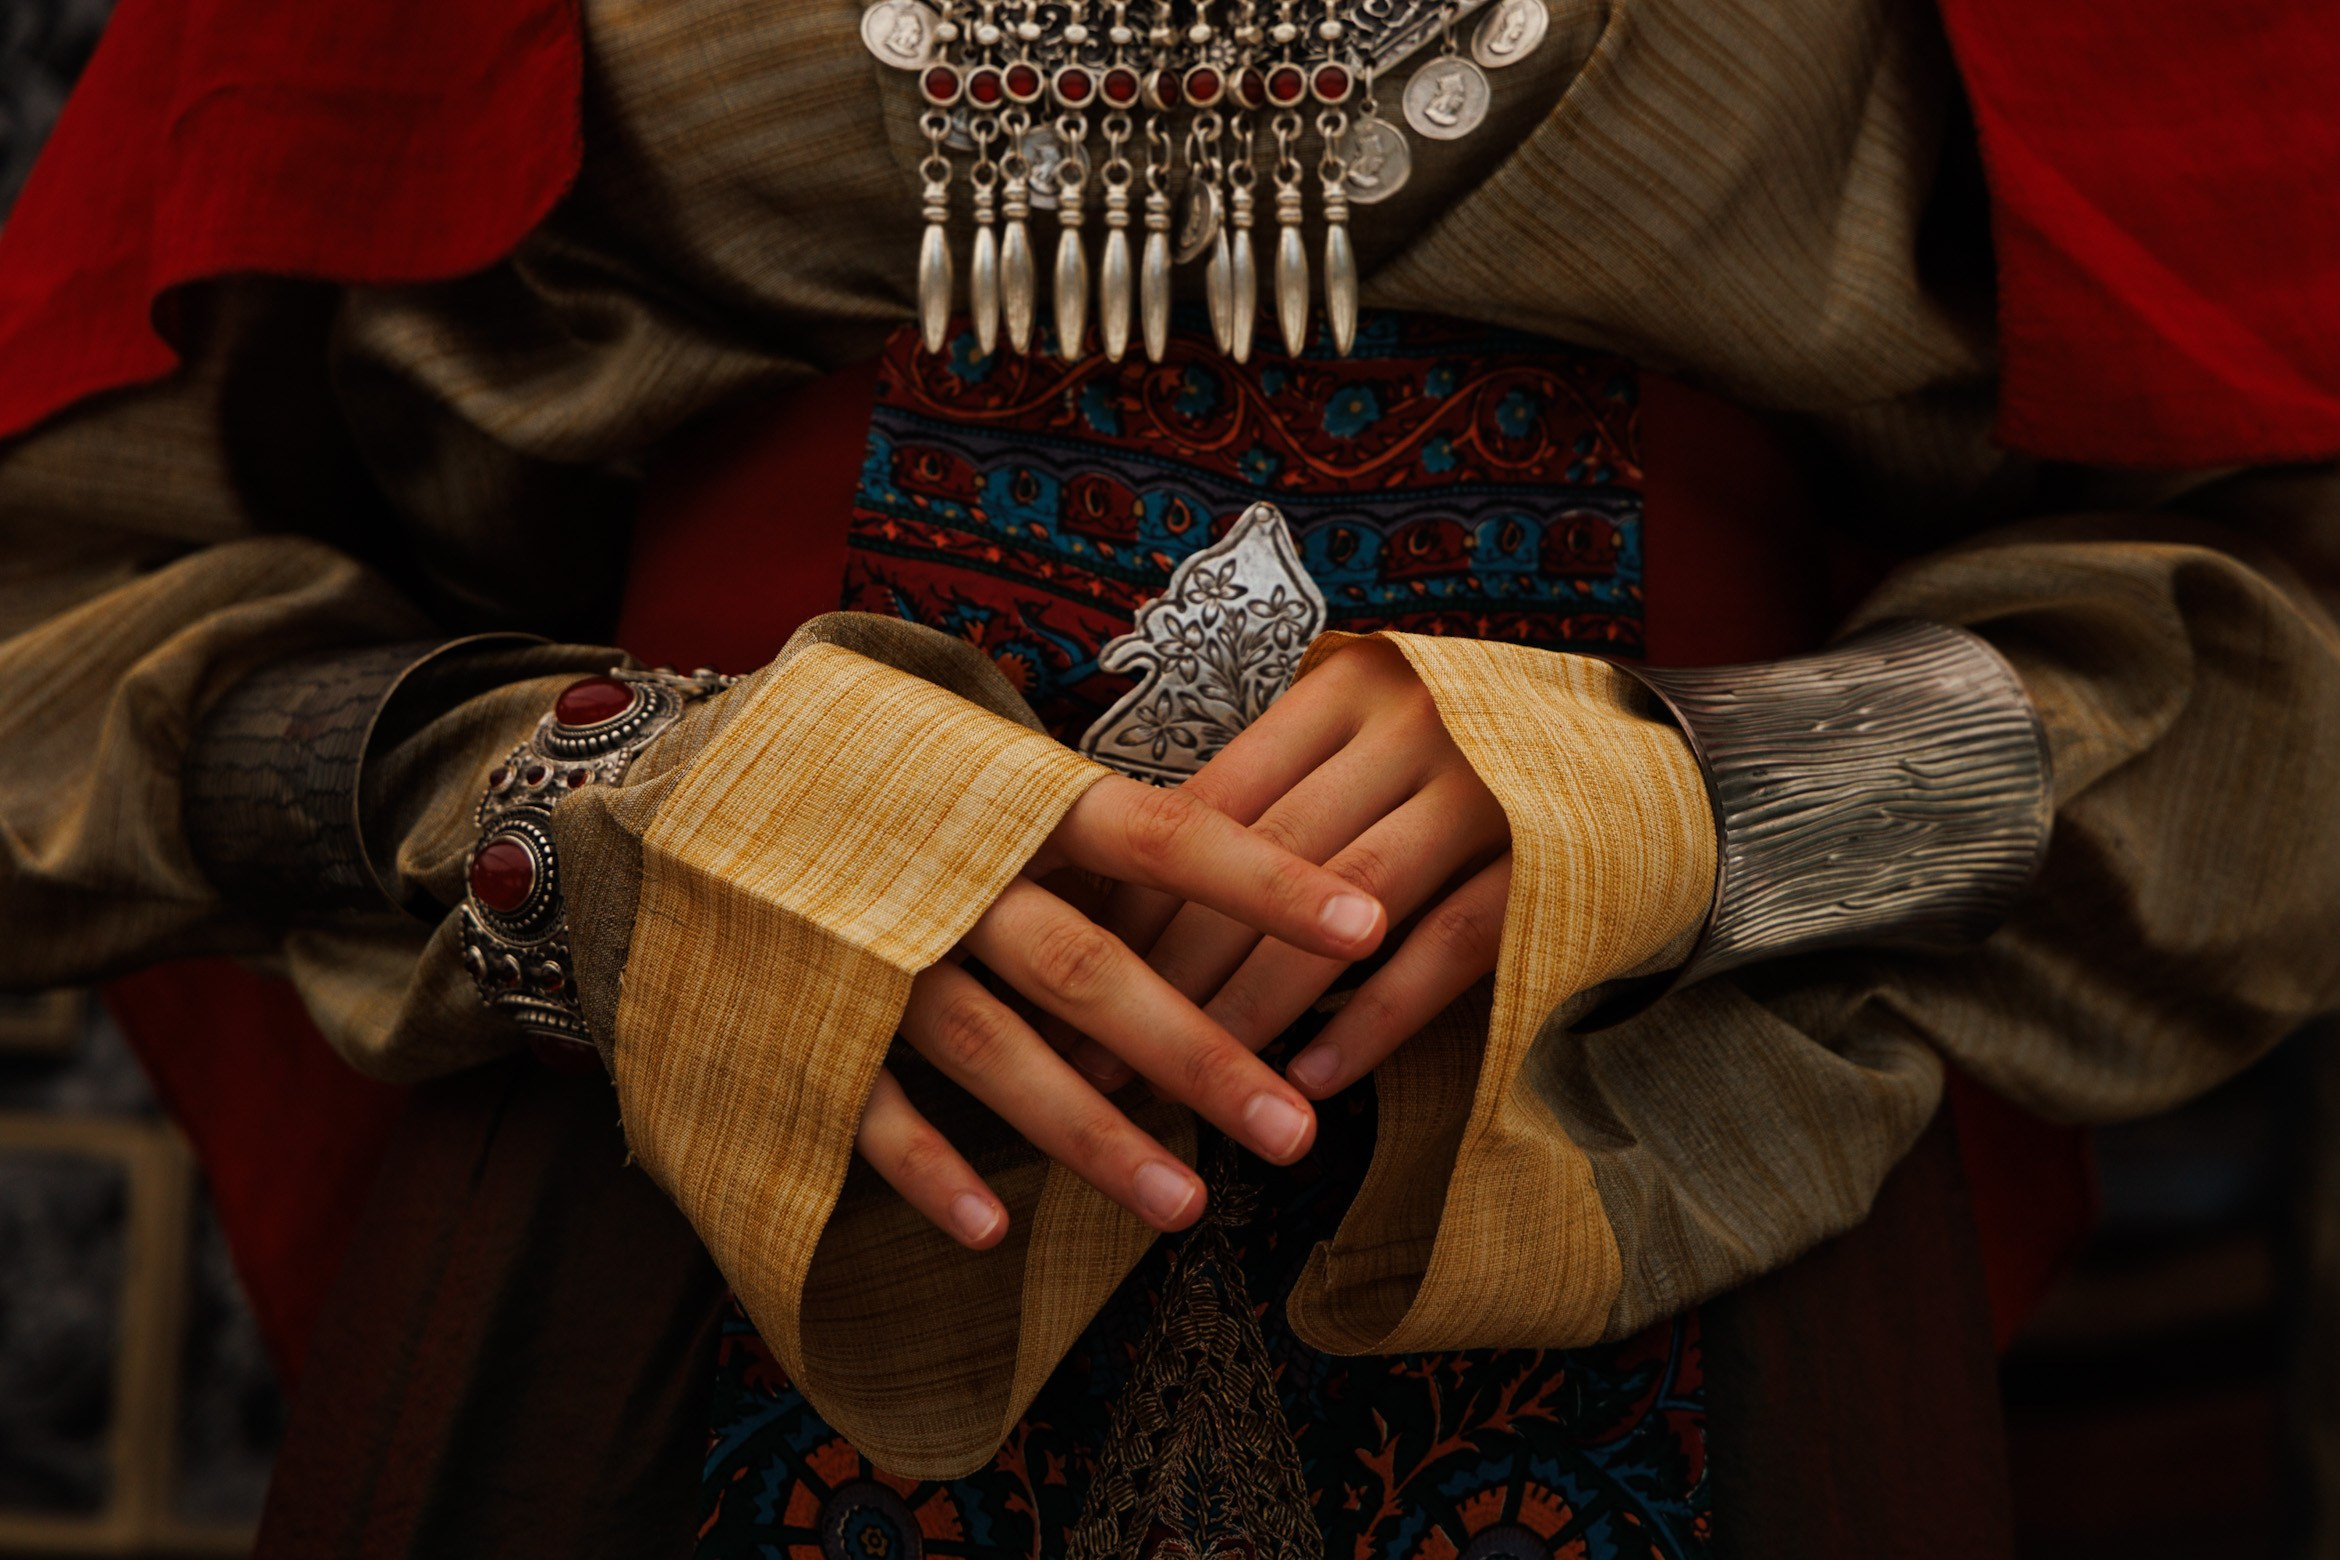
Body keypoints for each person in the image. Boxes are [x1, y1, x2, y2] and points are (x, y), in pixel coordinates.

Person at [0, 0, 2335, 1555]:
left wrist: (1705, 797)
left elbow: (2285, 676)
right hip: (655, 1261)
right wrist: (612, 800)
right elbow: (54, 654)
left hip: (1685, 1232)